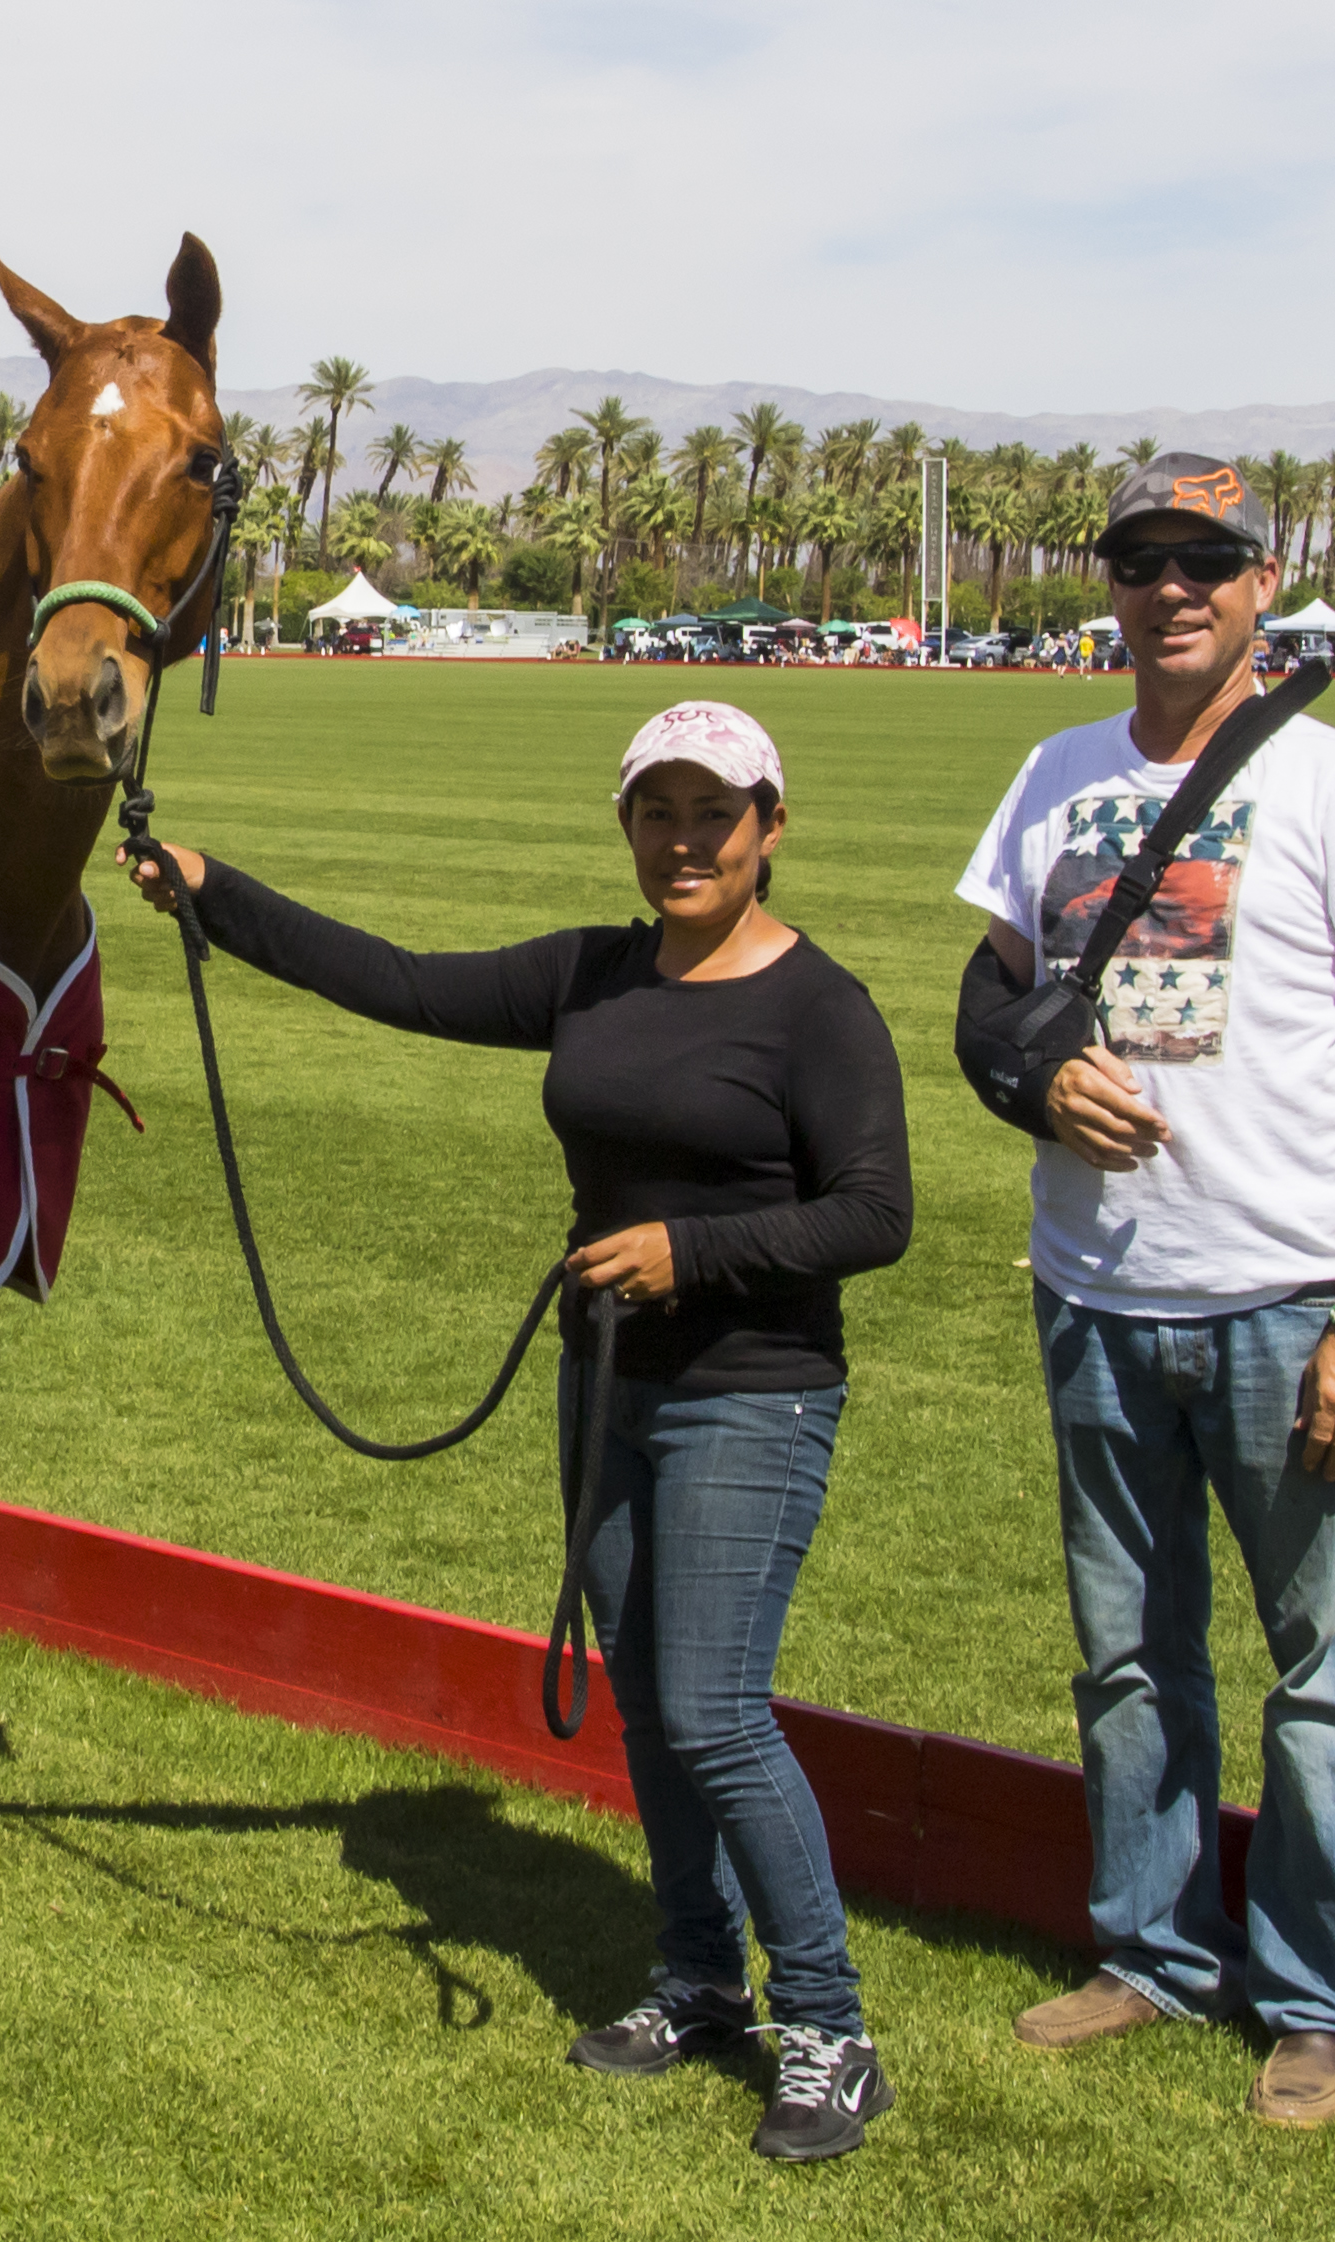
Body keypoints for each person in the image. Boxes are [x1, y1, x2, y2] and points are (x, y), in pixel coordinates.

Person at [126, 702, 913, 2163]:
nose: (684, 841)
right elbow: (401, 982)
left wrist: (689, 1250)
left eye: (714, 813)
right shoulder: (594, 972)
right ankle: (699, 1978)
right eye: (657, 811)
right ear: (626, 824)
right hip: (606, 1383)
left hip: (752, 1391)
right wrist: (217, 892)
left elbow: (875, 1212)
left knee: (716, 1710)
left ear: (770, 827)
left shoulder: (820, 1008)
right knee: (650, 1704)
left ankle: (829, 2026)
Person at [952, 453, 1335, 2126]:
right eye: (1141, 558)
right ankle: (1152, 1948)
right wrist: (1033, 1082)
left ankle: (1326, 2002)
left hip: (1284, 1297)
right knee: (1126, 1656)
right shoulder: (1053, 769)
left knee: (1323, 1674)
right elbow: (990, 1000)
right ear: (1107, 581)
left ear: (1258, 582)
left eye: (1205, 561)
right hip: (1095, 1288)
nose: (1171, 587)